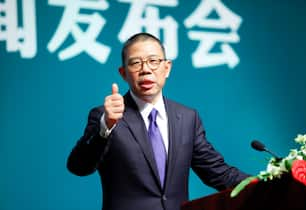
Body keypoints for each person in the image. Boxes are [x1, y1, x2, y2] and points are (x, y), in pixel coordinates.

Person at [67, 32, 249, 210]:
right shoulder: (105, 116)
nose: (145, 69)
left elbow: (218, 173)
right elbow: (79, 166)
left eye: (153, 61)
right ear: (123, 73)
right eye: (136, 63)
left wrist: (270, 181)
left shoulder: (187, 118)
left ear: (167, 68)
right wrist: (105, 127)